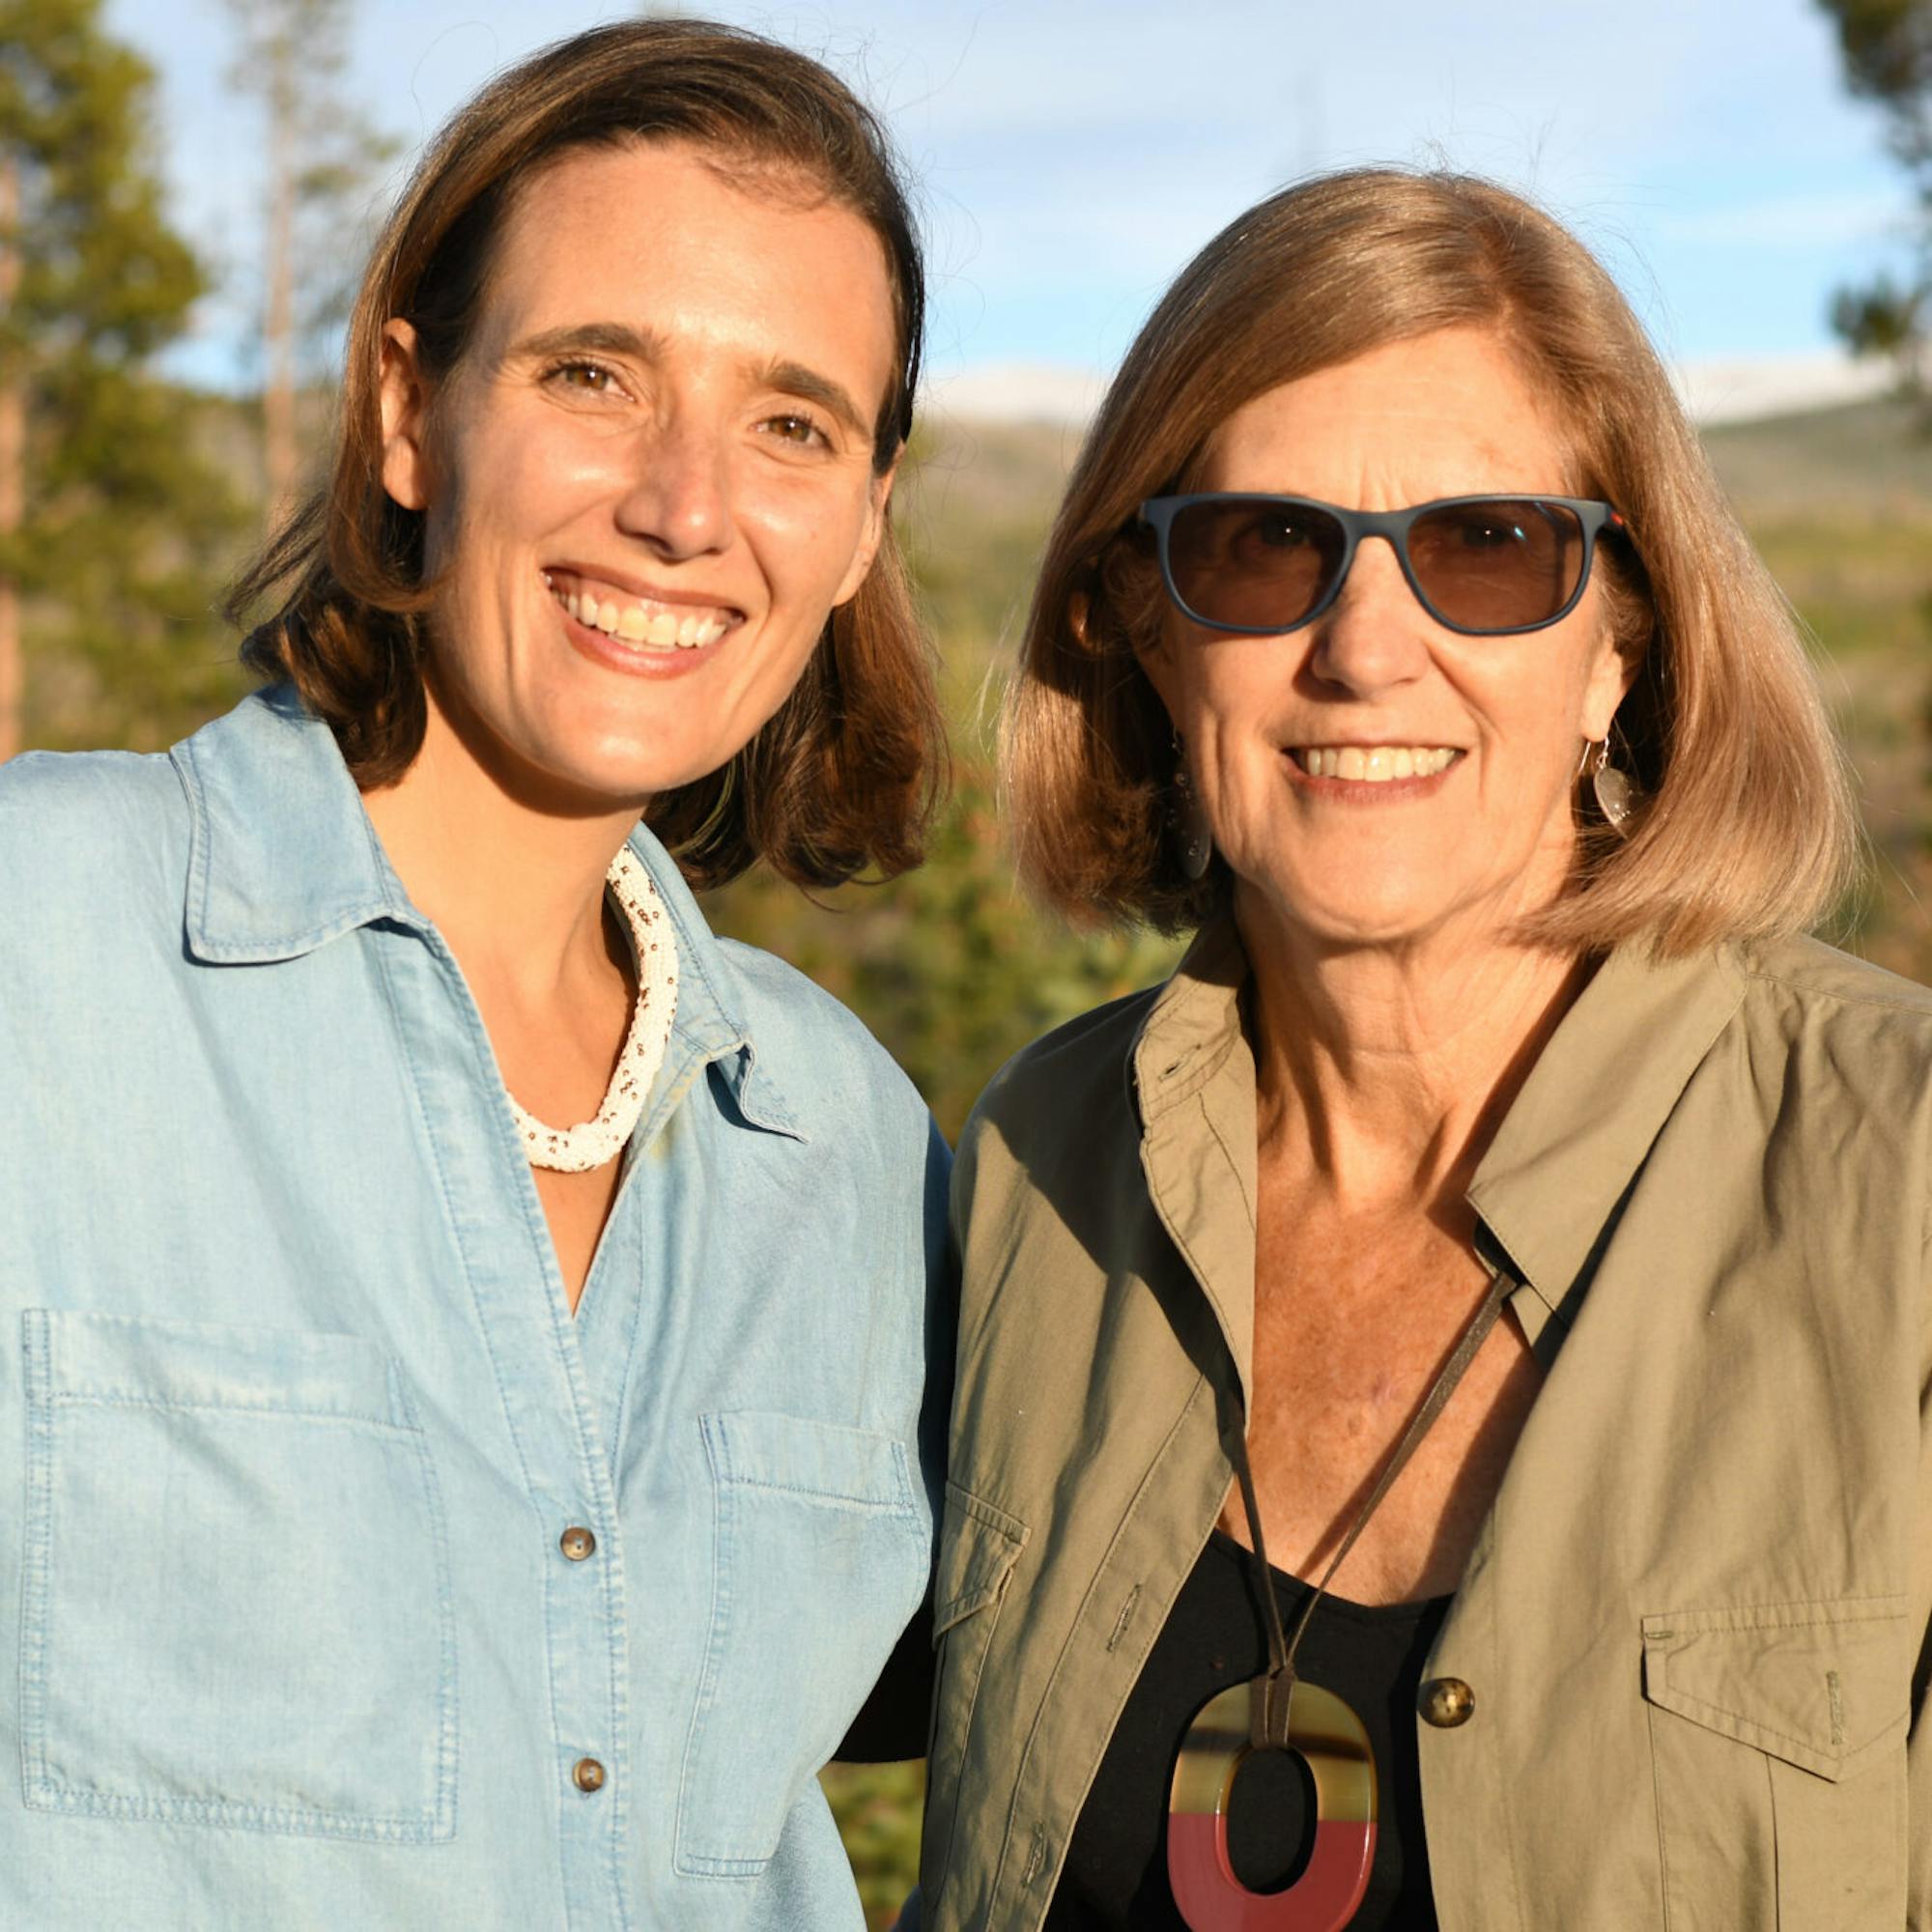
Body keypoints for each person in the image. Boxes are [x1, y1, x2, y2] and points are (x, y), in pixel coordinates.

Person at [0, 19, 947, 1930]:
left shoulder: (854, 1150)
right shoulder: (42, 940)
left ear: (858, 528)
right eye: (593, 373)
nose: (686, 507)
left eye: (791, 423)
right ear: (405, 414)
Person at [914, 167, 1932, 1932]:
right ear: (1144, 628)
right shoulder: (1037, 1169)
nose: (1368, 651)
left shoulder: (1898, 1181)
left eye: (1488, 547)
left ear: (1625, 637)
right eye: (1264, 547)